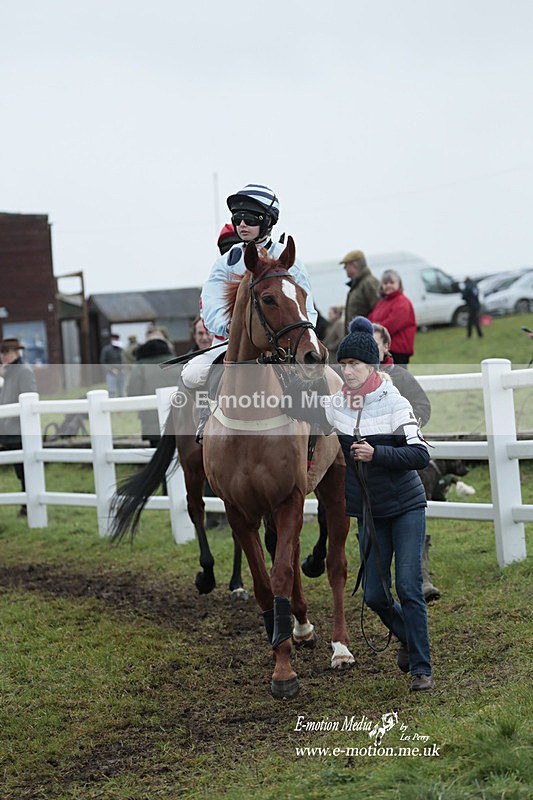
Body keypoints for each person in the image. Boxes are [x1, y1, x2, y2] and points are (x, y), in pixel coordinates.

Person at [286, 317, 434, 691]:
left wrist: (377, 453)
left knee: (408, 587)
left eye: (354, 364)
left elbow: (420, 454)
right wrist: (281, 371)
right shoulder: (337, 406)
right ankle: (410, 638)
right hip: (371, 512)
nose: (347, 371)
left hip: (406, 507)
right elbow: (301, 408)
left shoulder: (394, 401)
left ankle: (421, 668)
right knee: (374, 596)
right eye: (344, 364)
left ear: (371, 365)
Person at [182, 183, 318, 394]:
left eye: (251, 219)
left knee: (322, 377)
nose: (242, 225)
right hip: (232, 342)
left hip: (282, 344)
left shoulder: (289, 260)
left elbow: (306, 307)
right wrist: (228, 327)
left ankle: (322, 413)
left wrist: (299, 337)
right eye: (237, 219)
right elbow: (211, 301)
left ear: (268, 221)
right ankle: (205, 412)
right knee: (192, 375)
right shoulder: (225, 262)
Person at [372, 322, 440, 601]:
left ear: (386, 347)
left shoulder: (399, 376)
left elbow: (423, 407)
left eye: (375, 344)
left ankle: (421, 577)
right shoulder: (352, 381)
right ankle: (378, 585)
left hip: (402, 458)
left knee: (412, 512)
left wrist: (402, 431)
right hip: (370, 465)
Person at [0, 337, 37, 516]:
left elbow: (29, 398)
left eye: (5, 352)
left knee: (25, 470)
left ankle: (28, 505)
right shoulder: (9, 372)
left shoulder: (23, 371)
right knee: (20, 469)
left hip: (19, 429)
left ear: (15, 352)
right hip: (9, 428)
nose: (3, 356)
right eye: (2, 352)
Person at [368, 269, 417, 366]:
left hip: (398, 350)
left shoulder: (402, 302)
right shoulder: (382, 302)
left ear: (399, 284)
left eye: (392, 282)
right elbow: (371, 318)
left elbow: (391, 325)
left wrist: (373, 330)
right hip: (384, 349)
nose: (388, 285)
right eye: (385, 283)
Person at [339, 249, 380, 330]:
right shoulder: (358, 285)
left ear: (354, 265)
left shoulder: (369, 283)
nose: (344, 268)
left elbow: (379, 311)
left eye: (346, 265)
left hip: (365, 334)